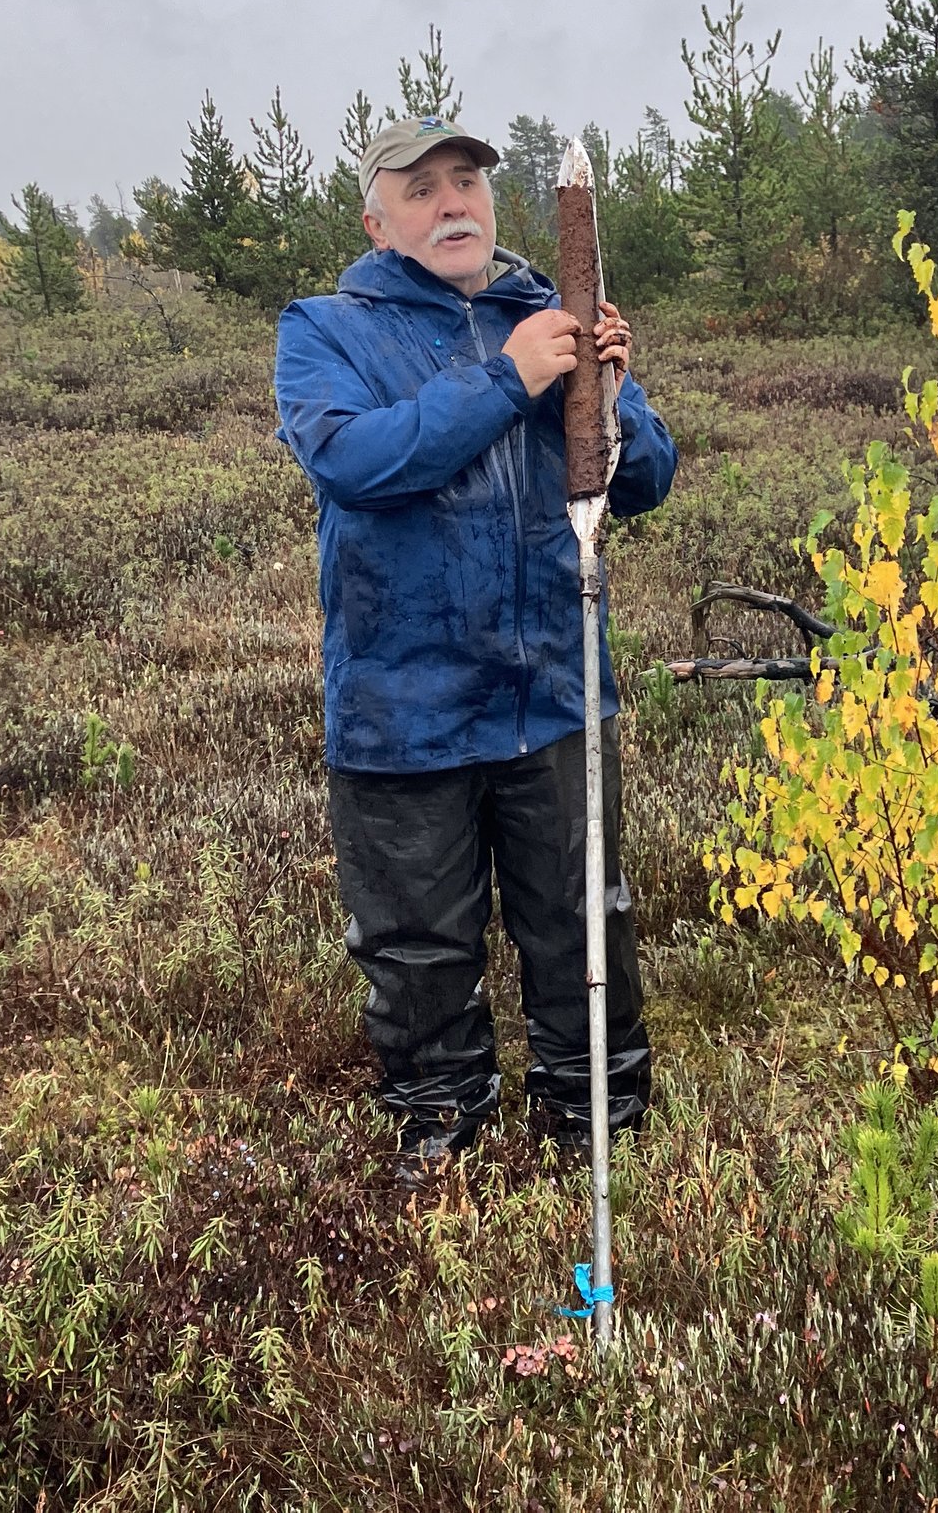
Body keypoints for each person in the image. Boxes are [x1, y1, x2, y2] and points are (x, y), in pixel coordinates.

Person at [272, 114, 677, 1176]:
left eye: (467, 182)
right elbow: (354, 461)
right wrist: (509, 378)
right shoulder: (326, 330)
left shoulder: (552, 317)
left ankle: (596, 1104)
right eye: (422, 190)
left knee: (583, 915)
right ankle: (440, 1116)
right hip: (403, 704)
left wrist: (609, 392)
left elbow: (643, 481)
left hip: (555, 687)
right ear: (377, 221)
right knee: (416, 939)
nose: (452, 203)